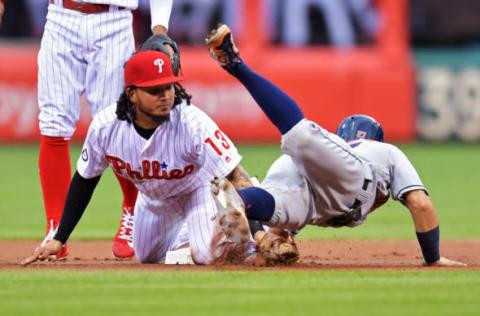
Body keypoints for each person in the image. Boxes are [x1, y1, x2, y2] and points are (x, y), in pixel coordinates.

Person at [205, 24, 466, 267]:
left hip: (308, 193)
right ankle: (236, 65)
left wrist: (271, 240)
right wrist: (433, 258)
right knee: (301, 135)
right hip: (349, 181)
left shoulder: (334, 151)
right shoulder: (383, 152)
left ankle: (239, 198)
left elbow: (281, 230)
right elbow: (420, 203)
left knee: (274, 205)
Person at [21, 50, 255, 266]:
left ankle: (240, 236)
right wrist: (59, 238)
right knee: (147, 257)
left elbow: (234, 173)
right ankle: (195, 234)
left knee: (207, 254)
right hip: (154, 199)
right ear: (132, 94)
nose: (165, 96)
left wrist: (259, 226)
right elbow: (85, 180)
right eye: (154, 90)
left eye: (169, 87)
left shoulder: (192, 123)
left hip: (198, 190)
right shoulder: (106, 126)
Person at [36, 0, 175, 260]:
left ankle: (132, 211)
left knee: (119, 123)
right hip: (60, 16)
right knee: (53, 123)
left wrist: (159, 27)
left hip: (114, 19)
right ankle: (55, 229)